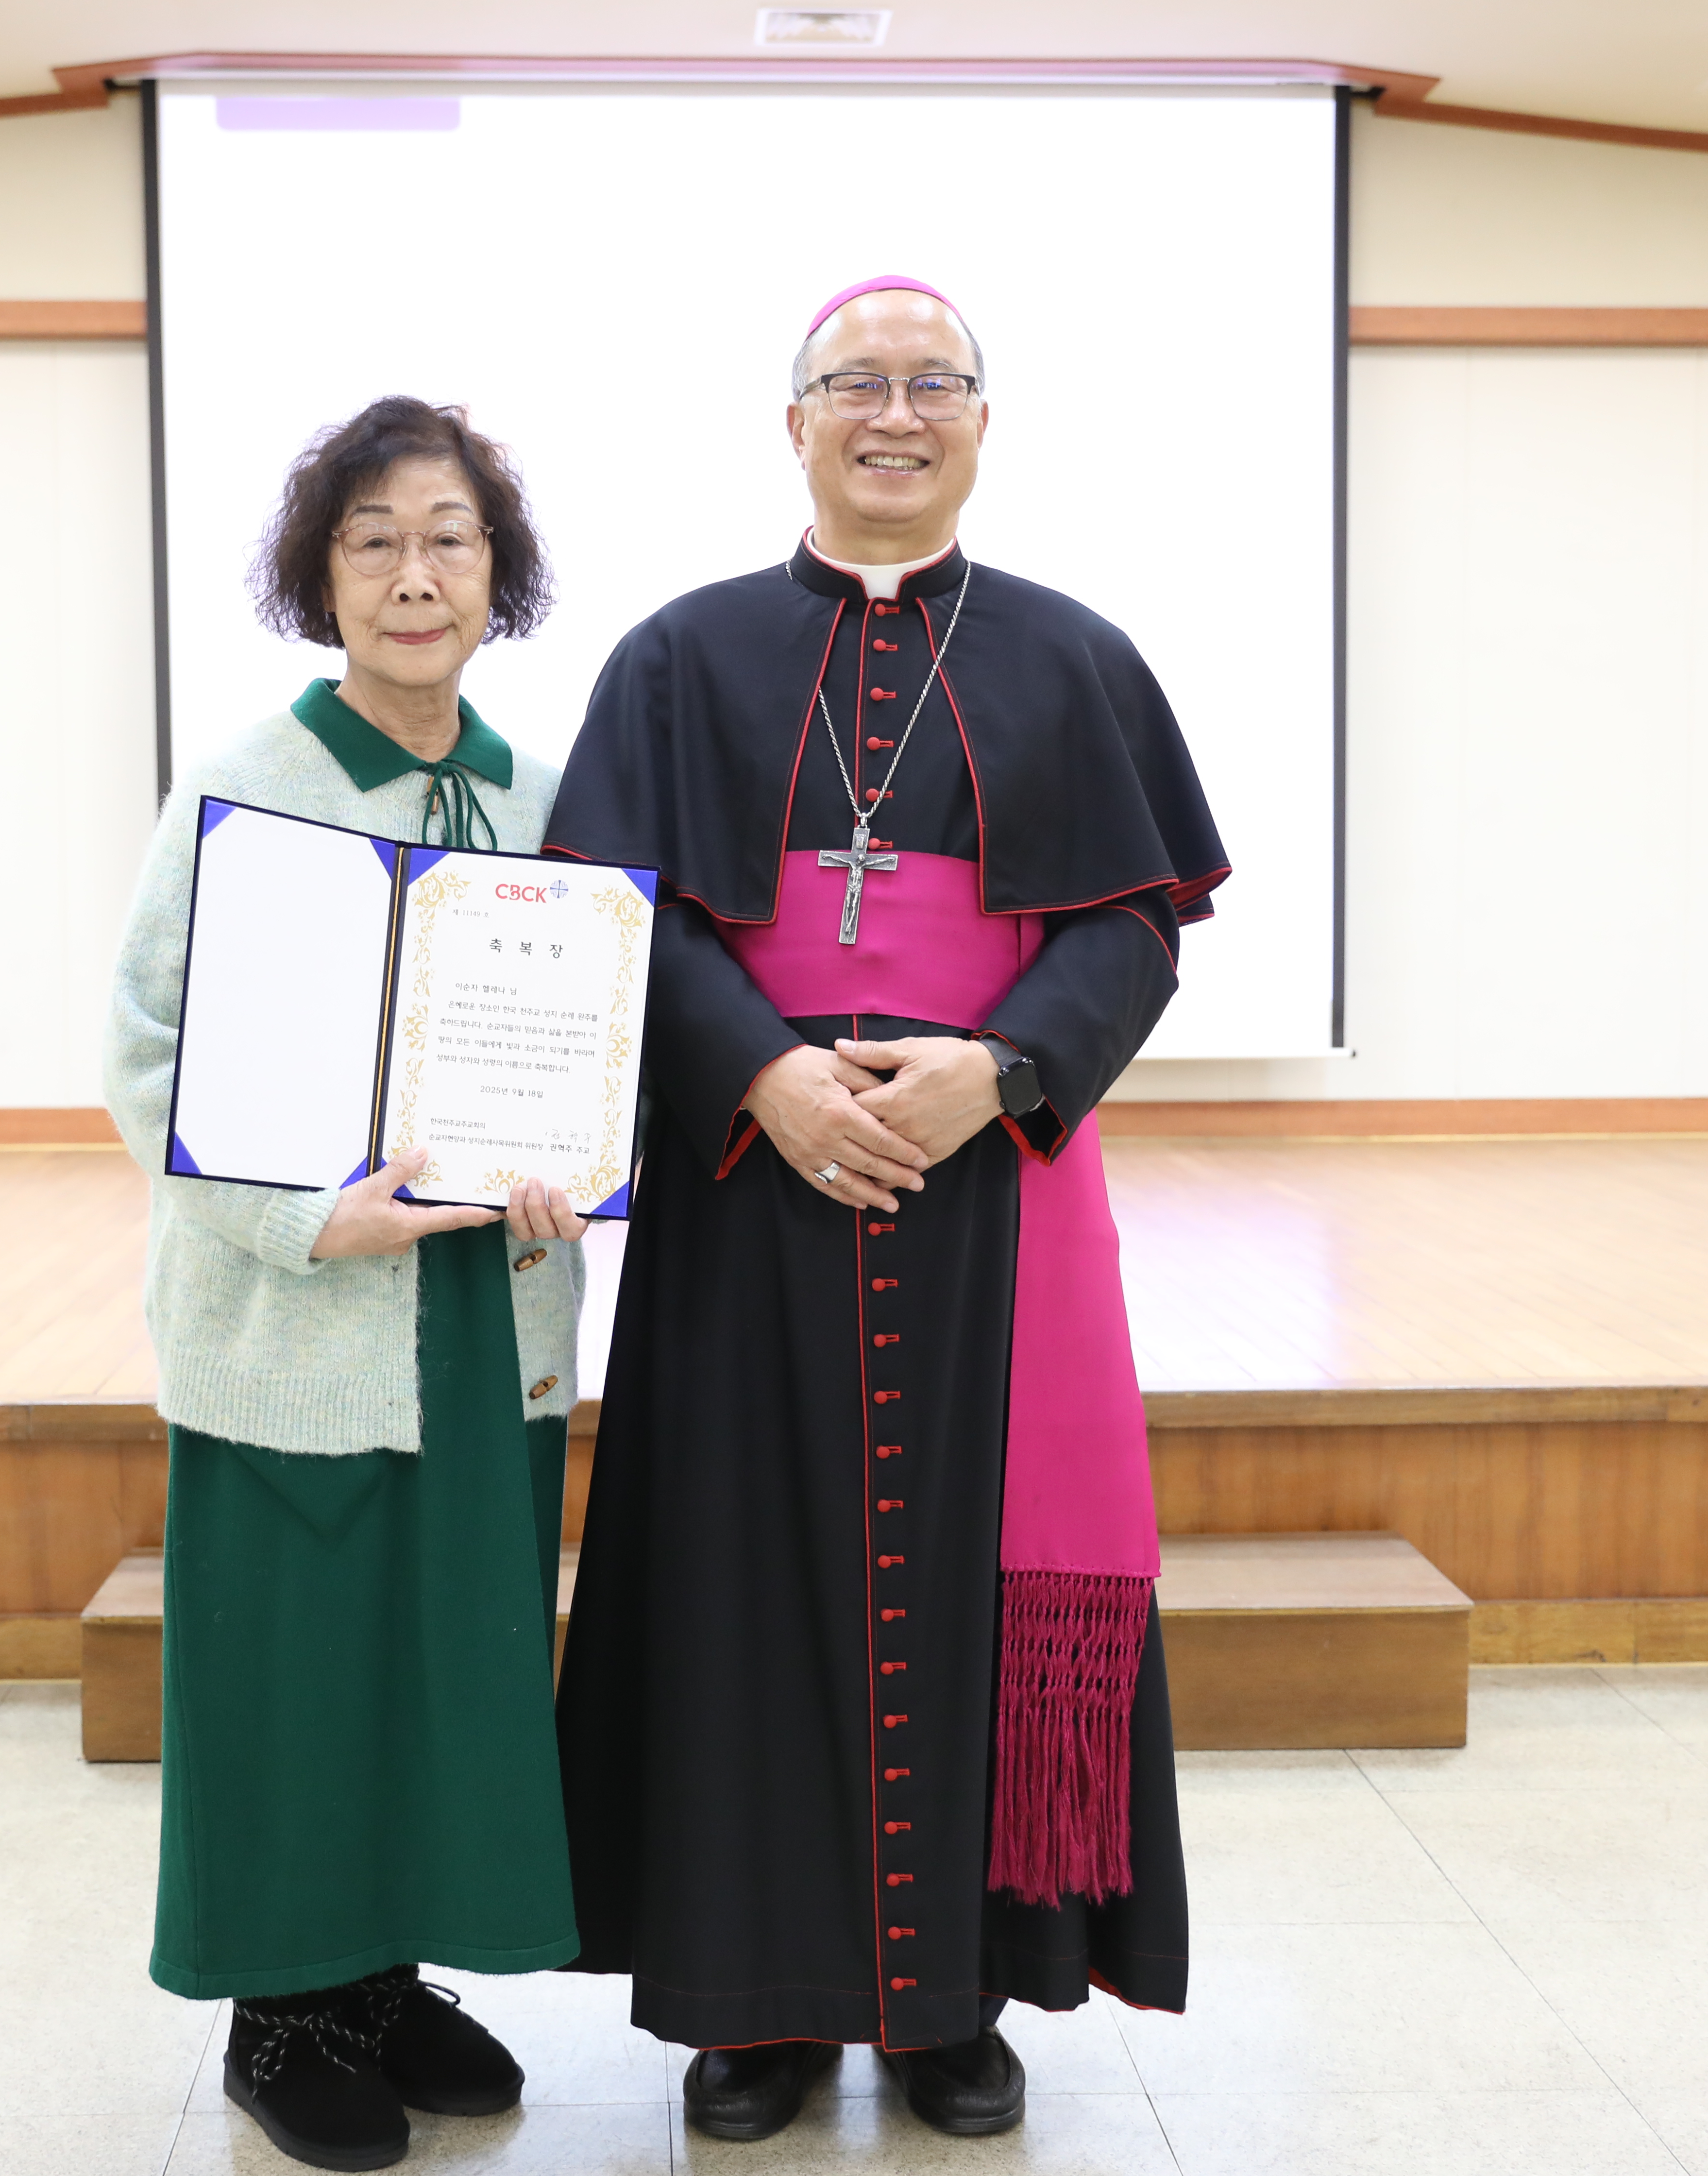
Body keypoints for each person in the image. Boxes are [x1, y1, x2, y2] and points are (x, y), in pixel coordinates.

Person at [542, 277, 1227, 2141]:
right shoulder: (679, 661)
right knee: (734, 1578)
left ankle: (950, 2006)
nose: (896, 413)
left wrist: (989, 1075)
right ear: (797, 427)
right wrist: (759, 1072)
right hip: (748, 1180)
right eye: (859, 384)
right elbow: (622, 914)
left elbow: (1134, 921)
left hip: (989, 1193)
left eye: (936, 384)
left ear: (983, 426)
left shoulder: (1075, 661)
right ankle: (752, 2001)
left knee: (972, 1597)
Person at [103, 395, 592, 2174]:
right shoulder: (245, 781)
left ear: (497, 572)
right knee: (296, 1660)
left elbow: (579, 1047)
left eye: (449, 536)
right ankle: (281, 2002)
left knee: (443, 1649)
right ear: (321, 573)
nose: (414, 573)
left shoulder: (542, 796)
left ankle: (381, 1978)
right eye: (373, 538)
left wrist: (569, 1160)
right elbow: (145, 1055)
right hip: (302, 1306)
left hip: (482, 1309)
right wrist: (309, 1218)